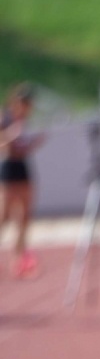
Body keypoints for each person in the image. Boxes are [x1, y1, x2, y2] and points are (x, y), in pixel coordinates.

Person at [0, 83, 46, 279]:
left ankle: (19, 259)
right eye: (24, 103)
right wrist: (12, 135)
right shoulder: (6, 118)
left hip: (22, 167)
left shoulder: (25, 121)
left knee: (25, 216)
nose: (27, 107)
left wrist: (34, 143)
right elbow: (4, 145)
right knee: (5, 215)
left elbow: (22, 148)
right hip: (8, 168)